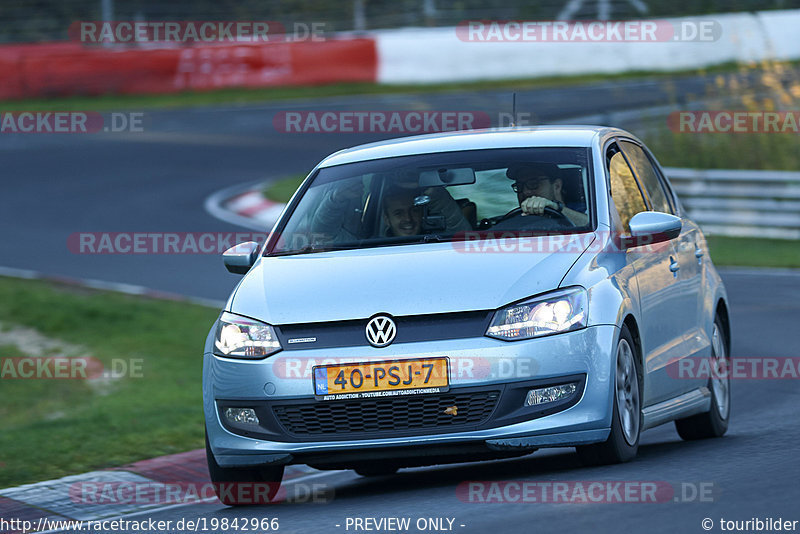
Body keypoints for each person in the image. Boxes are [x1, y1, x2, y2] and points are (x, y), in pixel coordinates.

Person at [506, 163, 589, 226]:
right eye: (519, 186)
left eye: (533, 184)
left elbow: (592, 225)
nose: (525, 191)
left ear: (557, 186)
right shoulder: (515, 218)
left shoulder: (581, 209)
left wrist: (555, 208)